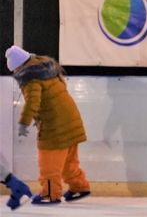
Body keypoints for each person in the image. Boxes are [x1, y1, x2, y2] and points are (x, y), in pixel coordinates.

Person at [6, 45, 91, 204]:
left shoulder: (31, 79)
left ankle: (50, 194)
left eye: (14, 70)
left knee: (49, 163)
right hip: (71, 119)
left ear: (19, 67)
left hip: (55, 127)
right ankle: (79, 187)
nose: (15, 74)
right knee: (68, 162)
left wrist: (24, 123)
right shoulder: (47, 70)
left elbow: (33, 102)